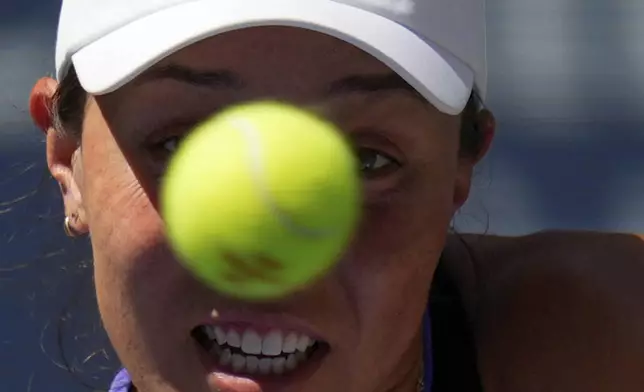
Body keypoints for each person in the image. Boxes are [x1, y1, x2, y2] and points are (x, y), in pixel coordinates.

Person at [28, 0, 644, 391]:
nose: (266, 264)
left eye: (366, 160)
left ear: (462, 167)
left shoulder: (610, 337)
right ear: (66, 157)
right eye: (181, 144)